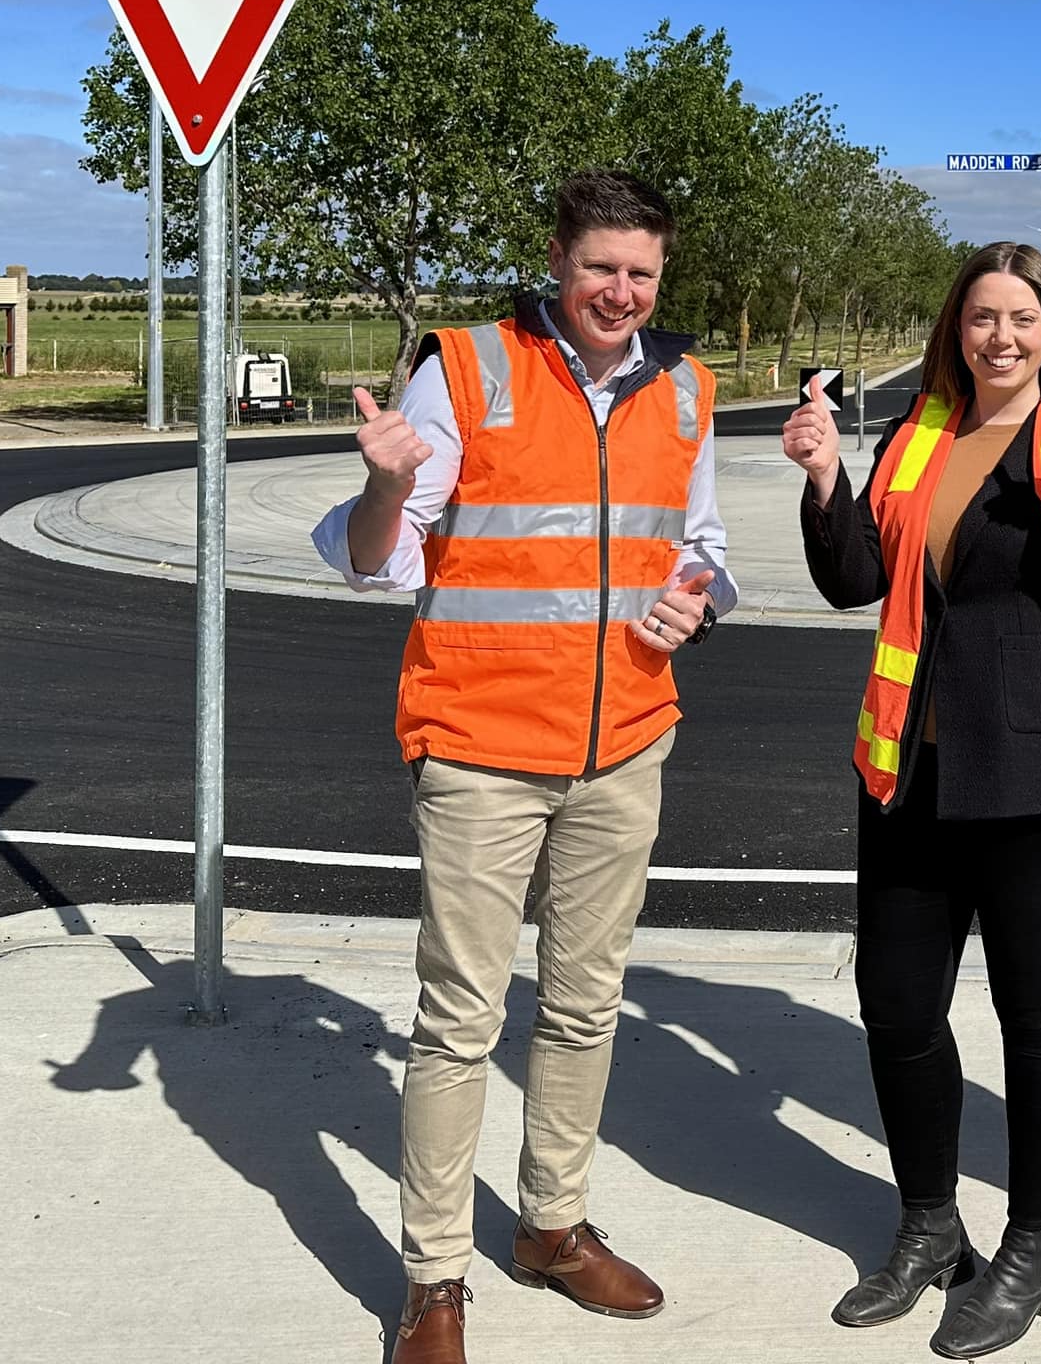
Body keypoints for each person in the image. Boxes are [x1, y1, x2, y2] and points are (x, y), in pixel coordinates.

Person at [311, 168, 736, 1364]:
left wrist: (693, 608)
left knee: (585, 1001)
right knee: (458, 1016)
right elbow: (369, 560)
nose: (620, 291)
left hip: (626, 743)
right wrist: (388, 481)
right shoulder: (468, 367)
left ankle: (551, 1223)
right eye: (601, 265)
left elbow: (698, 551)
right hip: (482, 747)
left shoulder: (687, 385)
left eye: (641, 272)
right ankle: (432, 1278)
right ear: (556, 255)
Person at [784, 242, 1041, 1358]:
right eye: (981, 317)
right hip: (911, 765)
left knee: (1037, 1014)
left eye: (1021, 317)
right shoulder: (917, 435)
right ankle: (929, 1223)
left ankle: (1032, 1243)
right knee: (897, 1006)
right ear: (955, 329)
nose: (1001, 336)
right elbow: (854, 578)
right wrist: (825, 477)